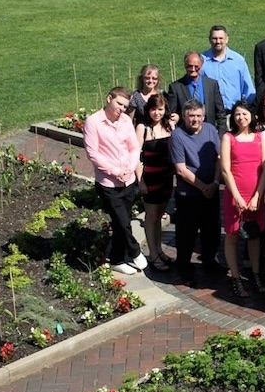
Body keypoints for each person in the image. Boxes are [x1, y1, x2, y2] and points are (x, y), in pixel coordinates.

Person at [84, 87, 146, 276]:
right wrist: (115, 171)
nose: (122, 109)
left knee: (121, 223)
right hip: (108, 183)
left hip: (129, 180)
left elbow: (134, 146)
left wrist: (129, 167)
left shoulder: (126, 120)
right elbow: (92, 153)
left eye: (125, 106)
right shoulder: (93, 122)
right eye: (119, 104)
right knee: (123, 221)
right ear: (109, 98)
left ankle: (117, 259)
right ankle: (135, 251)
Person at [220, 100, 265, 298]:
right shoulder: (228, 137)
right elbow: (225, 169)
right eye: (237, 114)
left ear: (252, 115)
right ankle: (235, 277)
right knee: (232, 237)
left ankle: (255, 274)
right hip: (235, 196)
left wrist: (258, 195)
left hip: (255, 196)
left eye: (244, 113)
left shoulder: (260, 137)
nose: (241, 117)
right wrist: (237, 197)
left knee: (254, 236)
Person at [169, 98, 222, 287]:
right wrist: (203, 187)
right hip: (188, 194)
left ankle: (209, 261)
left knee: (212, 229)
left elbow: (218, 159)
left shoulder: (210, 130)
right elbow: (181, 169)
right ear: (184, 116)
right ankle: (183, 267)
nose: (195, 119)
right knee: (186, 234)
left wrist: (215, 183)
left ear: (204, 115)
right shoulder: (177, 136)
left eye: (199, 115)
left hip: (211, 189)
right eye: (191, 116)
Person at [136, 94, 177, 272]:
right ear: (148, 110)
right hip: (150, 179)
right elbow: (135, 157)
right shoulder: (142, 128)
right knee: (151, 217)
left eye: (160, 109)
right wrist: (140, 181)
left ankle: (159, 250)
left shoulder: (169, 126)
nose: (157, 113)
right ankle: (153, 254)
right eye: (153, 109)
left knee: (159, 216)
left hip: (167, 178)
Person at [168, 51, 227, 132]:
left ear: (201, 66)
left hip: (208, 134)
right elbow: (171, 115)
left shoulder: (212, 85)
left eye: (196, 66)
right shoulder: (175, 87)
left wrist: (220, 136)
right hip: (186, 135)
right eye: (190, 66)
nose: (193, 69)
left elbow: (221, 114)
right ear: (185, 66)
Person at [201, 25, 255, 110]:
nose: (218, 41)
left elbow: (248, 89)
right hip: (211, 114)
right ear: (209, 39)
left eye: (221, 38)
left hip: (234, 114)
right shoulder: (202, 61)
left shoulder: (238, 61)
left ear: (227, 39)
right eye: (214, 38)